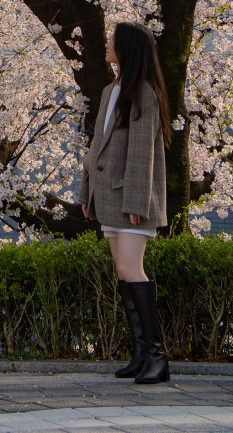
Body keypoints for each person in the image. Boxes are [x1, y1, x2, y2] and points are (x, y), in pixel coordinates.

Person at [80, 21, 172, 384]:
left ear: (127, 48)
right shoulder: (110, 90)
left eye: (111, 40)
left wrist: (137, 198)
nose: (106, 44)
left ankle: (157, 357)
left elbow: (141, 151)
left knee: (133, 270)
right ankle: (140, 354)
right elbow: (96, 147)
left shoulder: (144, 92)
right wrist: (86, 191)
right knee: (123, 271)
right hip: (108, 195)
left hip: (130, 197)